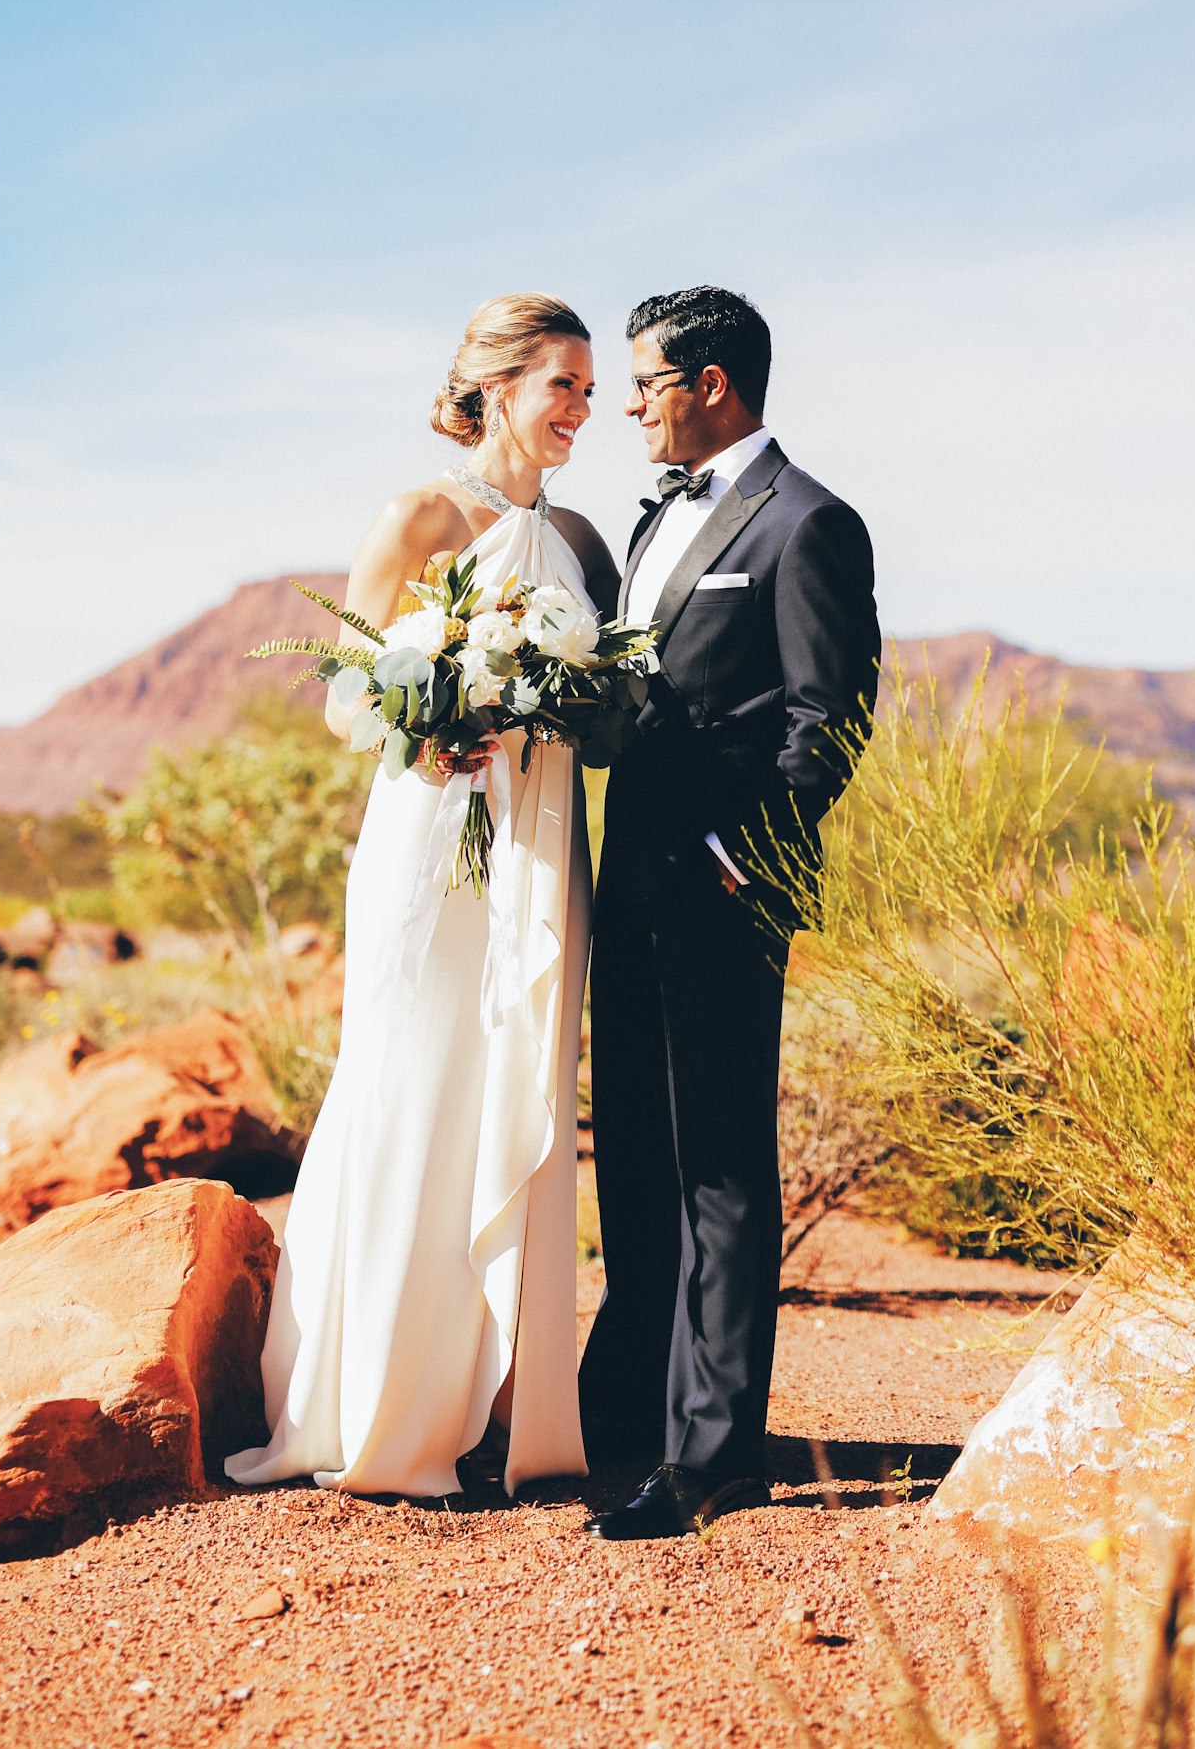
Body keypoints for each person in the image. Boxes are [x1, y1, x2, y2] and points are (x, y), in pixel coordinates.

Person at [227, 293, 618, 1500]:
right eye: (565, 386)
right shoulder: (421, 516)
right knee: (414, 1080)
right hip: (431, 836)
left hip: (540, 842)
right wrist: (431, 713)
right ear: (495, 386)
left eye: (594, 393)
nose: (583, 412)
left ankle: (503, 1406)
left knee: (515, 1085)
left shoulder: (581, 539)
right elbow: (347, 697)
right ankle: (374, 1405)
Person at [578, 285, 880, 1539]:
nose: (630, 406)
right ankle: (629, 1428)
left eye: (645, 382)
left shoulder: (810, 522)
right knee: (637, 1160)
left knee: (720, 1172)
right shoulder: (651, 520)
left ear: (711, 384)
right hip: (622, 891)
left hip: (720, 894)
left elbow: (832, 720)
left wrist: (733, 859)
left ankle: (712, 1456)